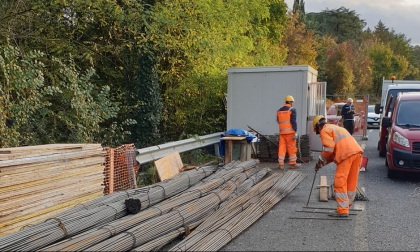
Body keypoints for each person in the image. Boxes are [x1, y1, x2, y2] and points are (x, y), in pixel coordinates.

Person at [312, 115, 363, 217]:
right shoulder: (337, 128)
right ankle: (347, 204)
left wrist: (321, 158)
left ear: (318, 127)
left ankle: (342, 210)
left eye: (317, 131)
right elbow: (333, 154)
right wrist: (322, 164)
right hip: (356, 153)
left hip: (346, 155)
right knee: (351, 181)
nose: (319, 134)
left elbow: (329, 149)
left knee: (339, 181)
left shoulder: (324, 130)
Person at [277, 95, 301, 170]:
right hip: (290, 133)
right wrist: (295, 131)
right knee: (291, 147)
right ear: (290, 102)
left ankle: (281, 164)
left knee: (281, 147)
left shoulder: (279, 111)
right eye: (292, 102)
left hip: (282, 133)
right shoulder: (292, 110)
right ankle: (292, 163)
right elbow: (293, 121)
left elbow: (278, 121)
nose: (292, 103)